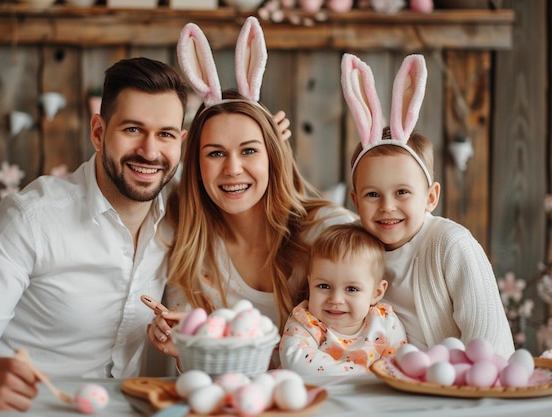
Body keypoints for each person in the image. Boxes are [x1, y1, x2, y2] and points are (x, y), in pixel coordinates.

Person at [0, 57, 189, 411]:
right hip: (32, 407)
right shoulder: (31, 217)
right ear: (98, 132)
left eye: (166, 134)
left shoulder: (185, 211)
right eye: (132, 130)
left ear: (180, 141)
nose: (150, 151)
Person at [146, 17, 357, 360]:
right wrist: (190, 350)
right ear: (195, 167)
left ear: (273, 156)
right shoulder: (189, 250)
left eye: (249, 150)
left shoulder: (328, 233)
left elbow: (367, 341)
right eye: (215, 153)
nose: (232, 169)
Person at [341, 53, 515, 358]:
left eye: (403, 192)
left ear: (431, 197)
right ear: (355, 200)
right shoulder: (350, 246)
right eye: (372, 195)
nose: (387, 207)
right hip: (378, 384)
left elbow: (489, 341)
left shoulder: (450, 246)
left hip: (450, 386)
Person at [279, 223, 407, 377]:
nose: (336, 299)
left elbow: (398, 367)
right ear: (310, 284)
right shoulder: (307, 322)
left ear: (376, 293)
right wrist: (366, 376)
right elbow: (296, 364)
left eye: (351, 289)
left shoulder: (385, 322)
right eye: (324, 286)